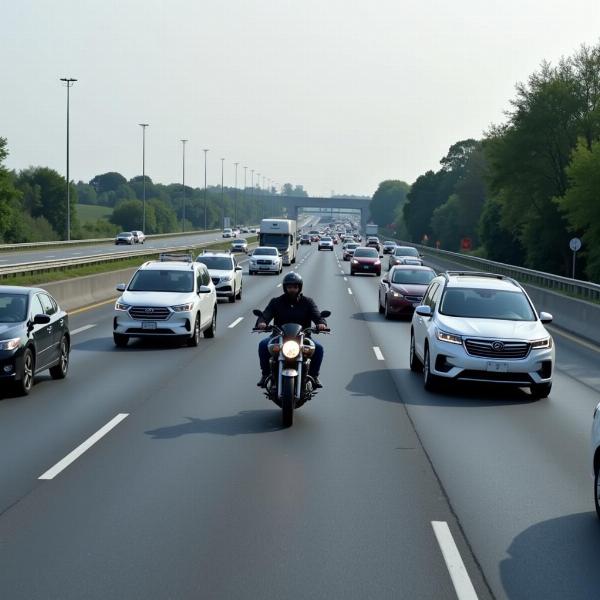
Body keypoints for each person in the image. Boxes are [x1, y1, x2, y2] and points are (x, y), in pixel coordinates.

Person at [255, 272, 327, 388]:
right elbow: (266, 314)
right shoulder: (276, 302)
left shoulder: (308, 302)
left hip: (303, 338)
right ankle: (266, 375)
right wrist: (262, 322)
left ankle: (314, 376)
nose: (292, 289)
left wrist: (321, 324)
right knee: (263, 345)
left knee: (318, 349)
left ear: (299, 287)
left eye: (295, 287)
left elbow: (317, 316)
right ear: (285, 288)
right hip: (279, 337)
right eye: (289, 287)